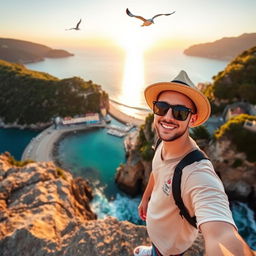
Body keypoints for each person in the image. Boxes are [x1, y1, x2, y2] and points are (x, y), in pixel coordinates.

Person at [134, 70, 254, 256]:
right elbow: (157, 171)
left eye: (180, 113)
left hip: (170, 248)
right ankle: (152, 250)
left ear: (193, 119)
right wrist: (145, 198)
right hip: (157, 235)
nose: (168, 117)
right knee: (156, 248)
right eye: (162, 107)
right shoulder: (161, 142)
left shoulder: (197, 173)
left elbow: (221, 235)